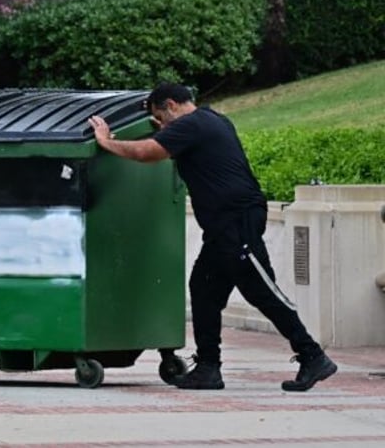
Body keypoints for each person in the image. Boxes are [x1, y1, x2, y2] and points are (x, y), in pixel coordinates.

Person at [87, 82, 337, 391]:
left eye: (160, 117)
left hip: (236, 222)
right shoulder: (210, 120)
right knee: (203, 289)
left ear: (170, 105)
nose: (161, 125)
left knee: (262, 292)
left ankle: (313, 356)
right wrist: (163, 128)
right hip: (221, 228)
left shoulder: (191, 125)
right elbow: (169, 139)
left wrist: (107, 141)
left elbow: (145, 153)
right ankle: (208, 368)